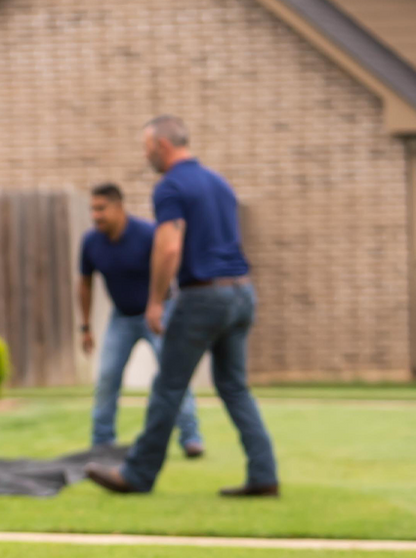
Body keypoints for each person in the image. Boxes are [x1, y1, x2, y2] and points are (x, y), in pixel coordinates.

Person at [87, 116, 279, 498]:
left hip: (202, 297)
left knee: (168, 386)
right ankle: (264, 475)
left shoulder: (171, 186)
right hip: (241, 293)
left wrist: (155, 301)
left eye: (146, 149)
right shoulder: (218, 183)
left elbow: (169, 246)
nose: (146, 157)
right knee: (235, 388)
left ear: (161, 145)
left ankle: (137, 475)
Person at [77, 182, 202, 458]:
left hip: (159, 314)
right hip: (121, 319)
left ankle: (191, 437)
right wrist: (85, 327)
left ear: (119, 207)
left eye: (101, 208)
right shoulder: (91, 242)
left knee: (173, 374)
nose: (95, 215)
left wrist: (158, 304)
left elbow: (171, 266)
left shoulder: (147, 235)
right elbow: (85, 283)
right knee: (107, 377)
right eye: (92, 209)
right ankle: (101, 441)